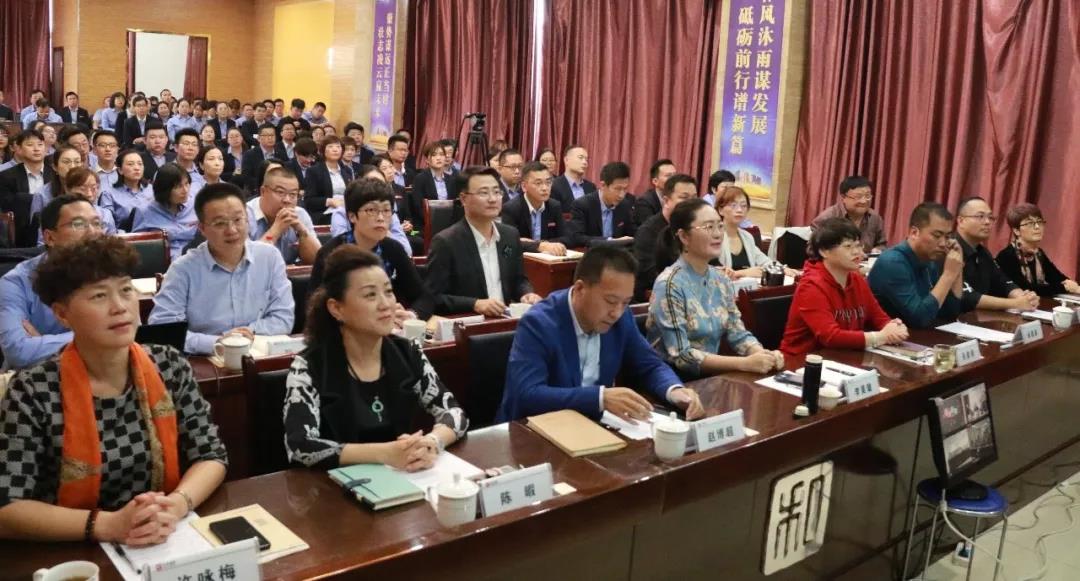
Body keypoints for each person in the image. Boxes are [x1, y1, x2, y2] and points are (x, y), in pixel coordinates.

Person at [0, 235, 227, 543]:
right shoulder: (33, 391)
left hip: (165, 534)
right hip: (73, 547)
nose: (119, 307)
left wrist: (175, 505)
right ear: (62, 314)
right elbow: (8, 505)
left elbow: (211, 455)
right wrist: (108, 525)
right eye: (99, 296)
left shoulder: (169, 365)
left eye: (125, 290)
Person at [283, 245, 468, 469]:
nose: (386, 304)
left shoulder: (408, 352)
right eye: (370, 295)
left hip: (403, 475)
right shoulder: (309, 366)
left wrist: (432, 442)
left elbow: (455, 413)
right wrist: (385, 453)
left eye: (388, 292)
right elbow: (301, 446)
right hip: (333, 484)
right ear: (336, 308)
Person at [497, 246, 704, 422]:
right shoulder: (538, 323)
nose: (617, 312)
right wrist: (599, 398)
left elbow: (650, 364)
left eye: (625, 302)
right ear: (580, 289)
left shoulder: (622, 318)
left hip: (592, 427)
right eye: (611, 301)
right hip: (533, 432)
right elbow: (527, 394)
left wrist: (675, 391)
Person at [149, 183, 294, 354]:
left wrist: (245, 334)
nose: (231, 230)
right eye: (220, 223)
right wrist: (217, 342)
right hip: (205, 360)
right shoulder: (183, 270)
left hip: (258, 354)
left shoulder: (269, 257)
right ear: (202, 228)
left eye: (238, 220)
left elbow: (284, 318)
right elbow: (164, 330)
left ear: (248, 219)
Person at [647, 199, 784, 380]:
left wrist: (762, 355)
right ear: (684, 237)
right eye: (709, 227)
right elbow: (682, 356)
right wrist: (745, 363)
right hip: (673, 382)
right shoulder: (669, 284)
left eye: (720, 226)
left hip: (710, 380)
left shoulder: (720, 279)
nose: (718, 234)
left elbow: (738, 333)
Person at [780, 218, 909, 358]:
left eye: (858, 245)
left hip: (842, 357)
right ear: (824, 251)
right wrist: (880, 337)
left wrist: (894, 327)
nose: (857, 252)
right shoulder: (811, 286)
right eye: (848, 246)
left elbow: (880, 318)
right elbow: (830, 337)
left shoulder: (857, 280)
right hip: (800, 360)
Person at [0, 195, 100, 368]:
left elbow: (131, 335)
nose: (93, 232)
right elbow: (19, 351)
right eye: (78, 224)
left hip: (98, 372)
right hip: (33, 378)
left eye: (97, 223)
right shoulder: (15, 282)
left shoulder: (109, 272)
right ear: (50, 238)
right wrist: (98, 338)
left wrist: (43, 343)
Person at [426, 166, 542, 316]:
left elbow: (519, 280)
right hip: (471, 322)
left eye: (496, 192)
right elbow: (432, 298)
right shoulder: (446, 242)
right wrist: (475, 304)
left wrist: (526, 293)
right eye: (484, 193)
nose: (492, 199)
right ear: (463, 199)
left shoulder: (510, 235)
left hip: (506, 318)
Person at [312, 178, 433, 320]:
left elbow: (424, 297)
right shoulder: (331, 253)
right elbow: (315, 308)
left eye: (386, 210)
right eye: (371, 210)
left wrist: (411, 315)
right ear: (352, 216)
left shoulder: (393, 249)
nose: (381, 218)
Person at [868, 202, 964, 328]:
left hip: (914, 335)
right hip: (886, 335)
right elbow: (920, 318)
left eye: (947, 237)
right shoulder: (893, 262)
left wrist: (957, 269)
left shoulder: (929, 260)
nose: (943, 243)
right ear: (914, 233)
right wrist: (948, 275)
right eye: (937, 235)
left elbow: (950, 314)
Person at [953, 196, 1039, 312]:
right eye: (980, 216)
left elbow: (1002, 281)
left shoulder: (983, 252)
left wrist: (1024, 297)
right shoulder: (949, 249)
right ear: (961, 221)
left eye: (990, 217)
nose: (987, 222)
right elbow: (966, 297)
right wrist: (1016, 303)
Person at [633, 174, 699, 302]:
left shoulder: (696, 227)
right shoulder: (648, 231)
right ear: (666, 200)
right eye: (684, 197)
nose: (691, 203)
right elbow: (649, 274)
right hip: (661, 294)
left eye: (694, 197)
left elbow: (710, 261)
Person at [714, 185, 799, 279]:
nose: (739, 210)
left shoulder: (747, 237)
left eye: (743, 206)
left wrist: (783, 269)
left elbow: (764, 261)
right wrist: (743, 273)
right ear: (720, 210)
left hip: (747, 286)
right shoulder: (713, 237)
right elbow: (711, 272)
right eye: (733, 205)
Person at [995, 204, 1080, 297]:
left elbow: (1057, 278)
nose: (1037, 227)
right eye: (1030, 223)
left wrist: (1072, 286)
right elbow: (1025, 289)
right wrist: (1064, 287)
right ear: (1016, 231)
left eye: (1039, 222)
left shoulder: (1038, 253)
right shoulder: (1007, 256)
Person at [247, 166, 320, 265]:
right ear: (263, 192)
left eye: (293, 194)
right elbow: (248, 263)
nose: (287, 200)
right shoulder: (244, 216)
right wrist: (276, 230)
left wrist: (302, 232)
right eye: (280, 192)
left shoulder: (300, 214)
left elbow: (317, 261)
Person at [131, 163, 199, 260]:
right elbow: (138, 247)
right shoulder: (145, 211)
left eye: (187, 184)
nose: (185, 190)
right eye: (178, 186)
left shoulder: (195, 206)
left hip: (193, 258)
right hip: (160, 261)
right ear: (164, 189)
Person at [501, 161, 570, 255]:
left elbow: (566, 238)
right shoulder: (511, 208)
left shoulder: (554, 206)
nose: (545, 188)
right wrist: (539, 246)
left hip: (548, 258)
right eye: (538, 183)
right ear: (524, 186)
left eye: (548, 182)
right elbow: (509, 242)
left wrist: (542, 245)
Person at [811, 175, 887, 254]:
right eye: (858, 197)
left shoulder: (874, 218)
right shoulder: (827, 218)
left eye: (867, 196)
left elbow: (882, 244)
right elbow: (812, 250)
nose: (864, 201)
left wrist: (877, 250)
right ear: (843, 197)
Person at [568, 161, 638, 247]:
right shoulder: (582, 205)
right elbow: (577, 238)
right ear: (603, 185)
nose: (622, 195)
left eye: (625, 189)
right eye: (618, 189)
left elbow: (633, 233)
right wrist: (610, 241)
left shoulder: (625, 205)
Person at [304, 135, 355, 220]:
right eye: (330, 147)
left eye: (338, 147)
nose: (335, 150)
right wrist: (330, 201)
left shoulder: (347, 171)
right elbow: (309, 201)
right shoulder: (314, 171)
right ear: (323, 150)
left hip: (346, 212)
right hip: (325, 214)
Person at [101, 149, 154, 228]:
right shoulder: (109, 194)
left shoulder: (152, 190)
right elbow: (107, 224)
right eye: (130, 164)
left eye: (140, 164)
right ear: (120, 170)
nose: (137, 168)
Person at [411, 140, 459, 206]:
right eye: (434, 155)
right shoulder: (420, 179)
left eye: (441, 154)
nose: (438, 158)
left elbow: (455, 203)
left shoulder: (451, 179)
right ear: (427, 160)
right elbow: (418, 205)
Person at [550, 144, 596, 210]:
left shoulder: (591, 187)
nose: (585, 162)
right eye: (580, 158)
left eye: (586, 159)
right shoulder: (554, 186)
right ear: (566, 160)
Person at [241, 123, 282, 192]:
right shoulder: (249, 155)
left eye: (272, 135)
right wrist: (266, 185)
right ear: (259, 138)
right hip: (257, 190)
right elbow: (246, 177)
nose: (270, 138)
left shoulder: (281, 154)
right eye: (266, 135)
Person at [633, 159, 675, 226]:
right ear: (655, 181)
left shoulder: (678, 199)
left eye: (675, 175)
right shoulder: (644, 202)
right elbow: (650, 228)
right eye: (668, 176)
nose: (674, 179)